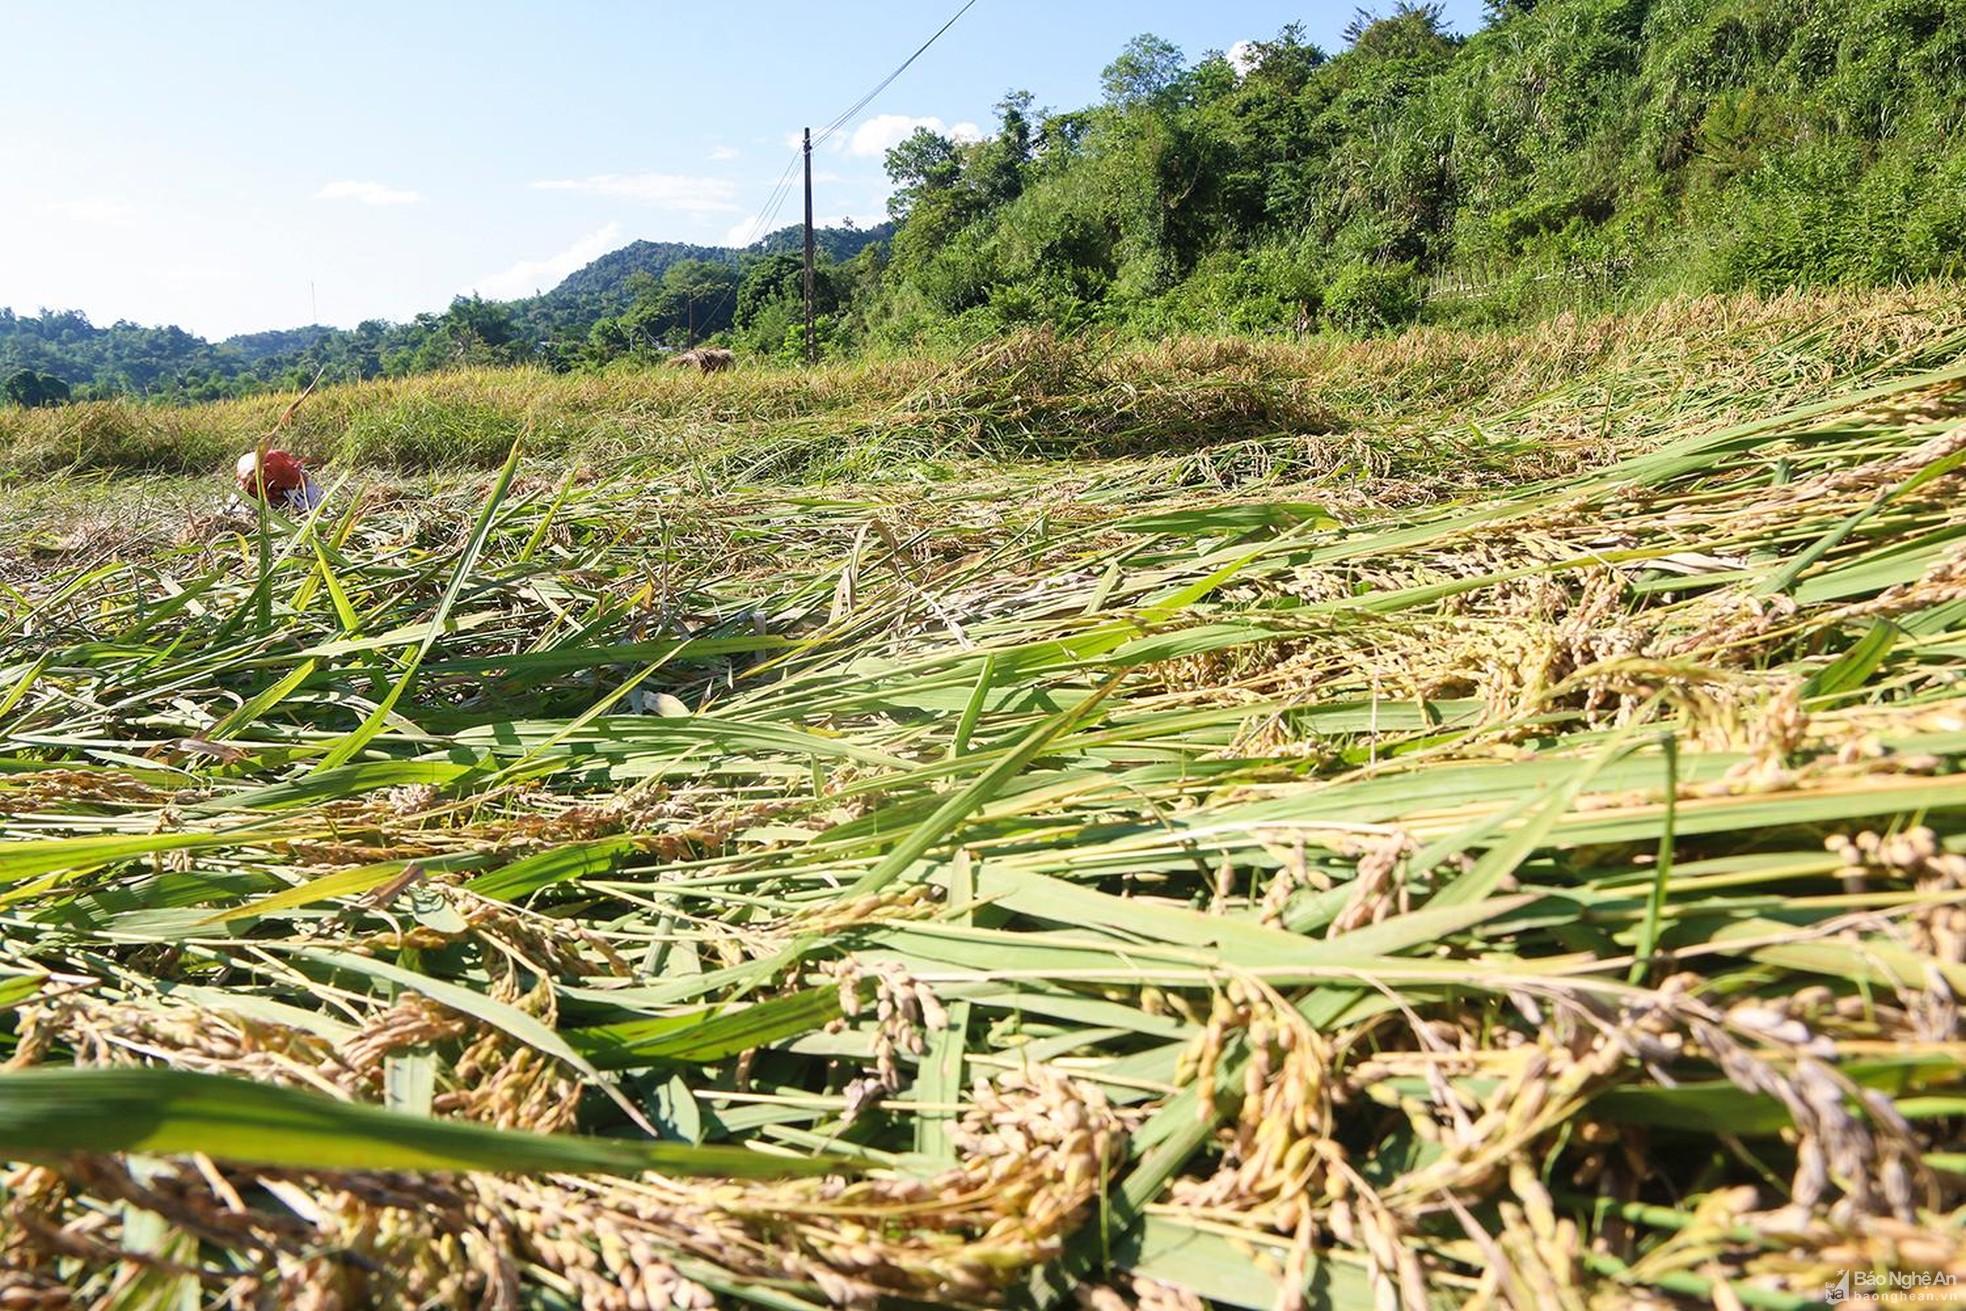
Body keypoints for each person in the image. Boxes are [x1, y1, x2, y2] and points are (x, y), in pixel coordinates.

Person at [234, 448, 324, 511]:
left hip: (297, 489)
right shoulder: (247, 483)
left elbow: (301, 481)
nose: (252, 478)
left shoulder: (278, 469)